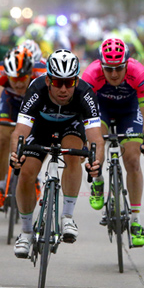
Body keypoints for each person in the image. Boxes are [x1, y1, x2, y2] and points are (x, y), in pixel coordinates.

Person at [9, 49, 105, 259]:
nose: (63, 88)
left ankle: (67, 216)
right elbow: (20, 132)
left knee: (73, 156)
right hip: (40, 129)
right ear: (49, 80)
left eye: (69, 82)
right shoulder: (36, 88)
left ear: (76, 80)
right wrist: (16, 154)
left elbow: (96, 138)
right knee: (26, 172)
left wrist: (96, 162)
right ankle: (25, 232)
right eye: (58, 82)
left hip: (71, 127)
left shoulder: (85, 93)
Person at [81, 38, 144, 247]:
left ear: (127, 64)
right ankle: (97, 182)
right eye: (109, 69)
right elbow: (81, 113)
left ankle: (136, 220)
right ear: (101, 65)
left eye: (118, 68)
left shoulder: (139, 72)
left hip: (129, 112)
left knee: (132, 160)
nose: (114, 74)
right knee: (96, 148)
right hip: (101, 110)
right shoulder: (90, 74)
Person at [0, 46, 46, 207]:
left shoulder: (41, 73)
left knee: (39, 138)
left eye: (22, 78)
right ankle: (1, 183)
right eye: (14, 79)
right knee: (2, 137)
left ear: (30, 74)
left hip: (34, 104)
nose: (18, 83)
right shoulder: (1, 73)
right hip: (10, 102)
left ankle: (35, 177)